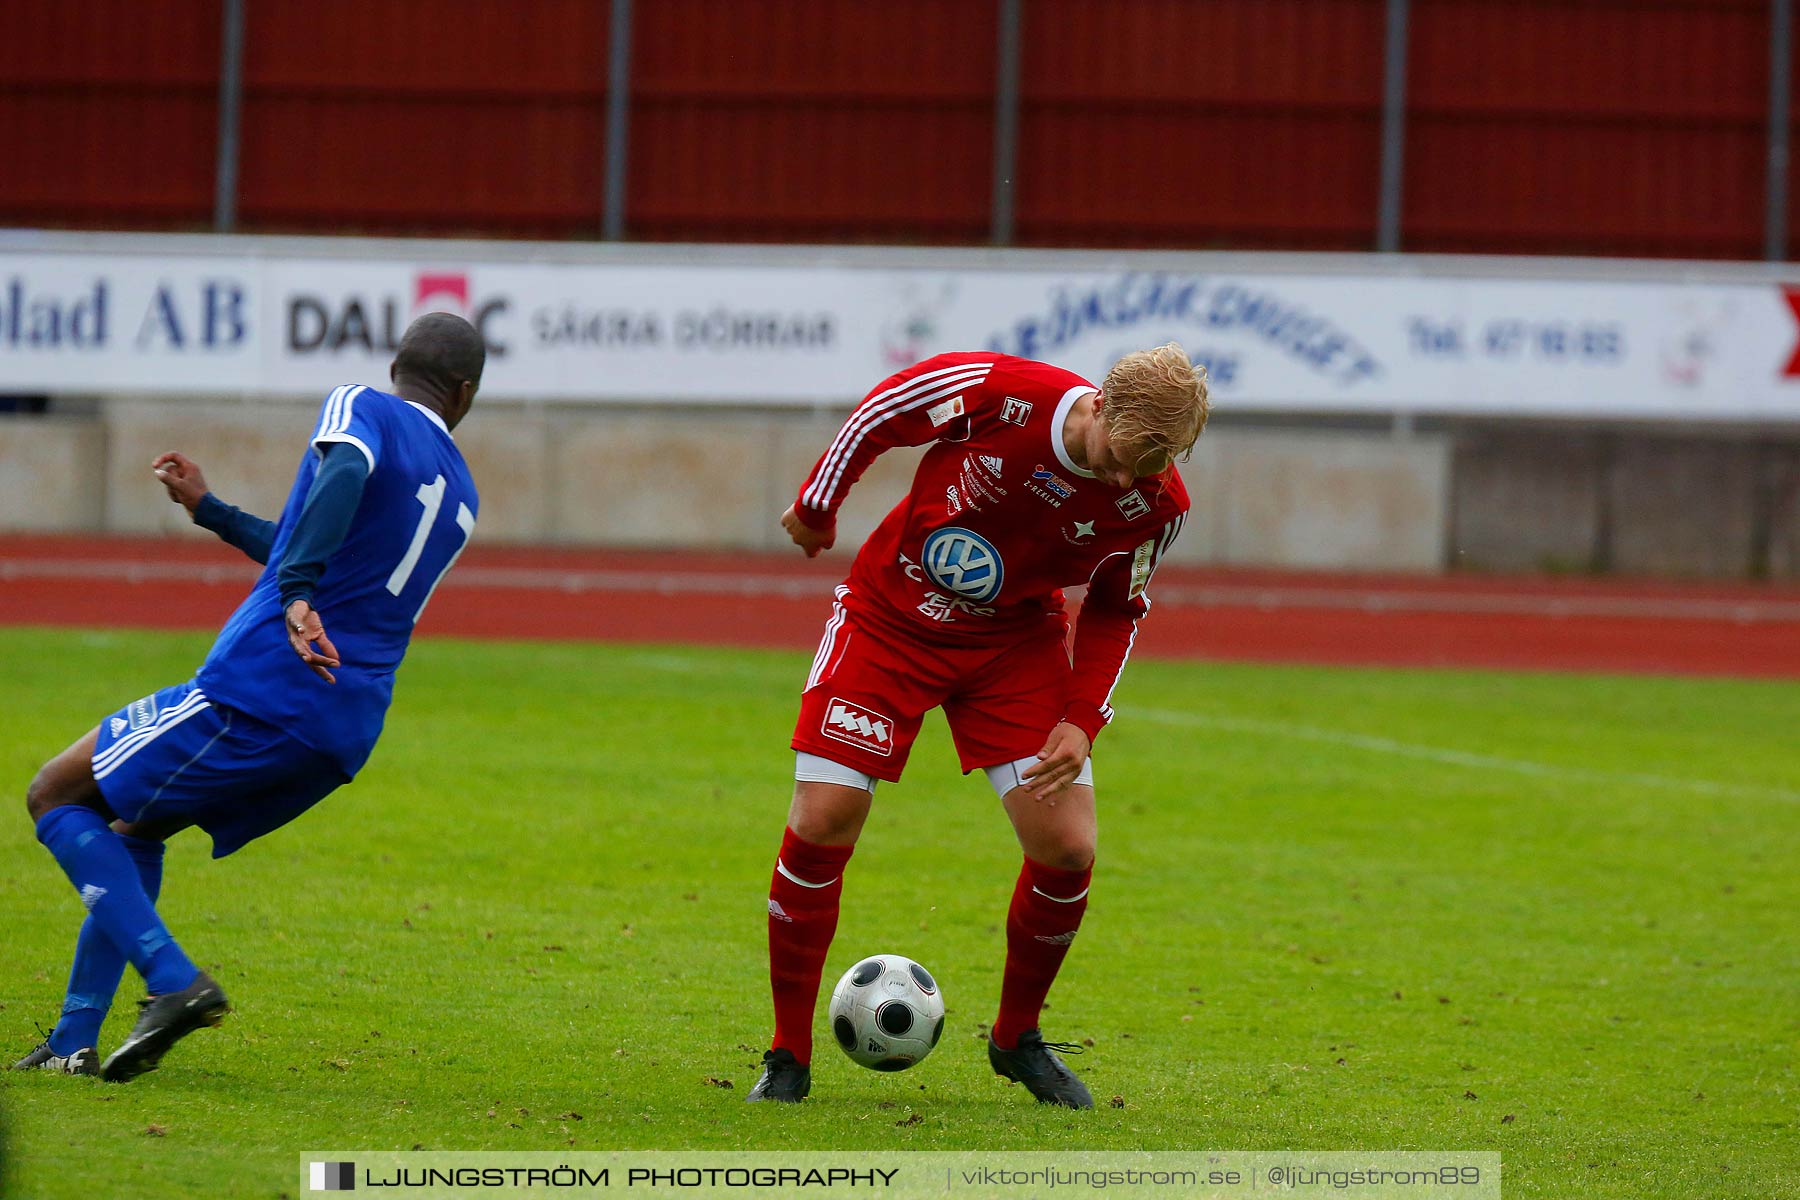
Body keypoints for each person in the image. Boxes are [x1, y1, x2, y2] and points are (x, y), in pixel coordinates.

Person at [13, 312, 484, 1083]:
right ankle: (73, 1040)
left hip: (263, 690)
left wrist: (294, 597)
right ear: (464, 393)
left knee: (55, 794)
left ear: (396, 364)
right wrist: (212, 511)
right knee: (134, 824)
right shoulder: (461, 491)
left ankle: (173, 983)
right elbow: (317, 544)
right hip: (342, 727)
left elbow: (333, 492)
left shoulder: (360, 408)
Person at [747, 344, 1209, 1107]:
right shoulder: (1001, 390)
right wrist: (819, 502)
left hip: (1012, 648)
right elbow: (885, 412)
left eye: (1153, 465)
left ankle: (1015, 1039)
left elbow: (1116, 607)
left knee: (1068, 847)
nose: (1130, 481)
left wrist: (1083, 718)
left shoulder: (1159, 504)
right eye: (1124, 457)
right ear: (1097, 406)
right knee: (826, 819)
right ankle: (788, 1055)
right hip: (889, 619)